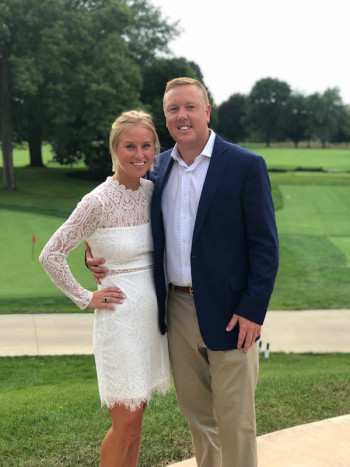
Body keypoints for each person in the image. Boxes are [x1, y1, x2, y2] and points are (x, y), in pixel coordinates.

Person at [87, 78, 279, 467]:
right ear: (166, 118)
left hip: (232, 313)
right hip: (175, 308)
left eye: (190, 106)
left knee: (235, 419)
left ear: (207, 112)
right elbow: (118, 219)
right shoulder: (155, 170)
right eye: (173, 109)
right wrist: (94, 255)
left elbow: (265, 246)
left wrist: (253, 310)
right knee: (198, 416)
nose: (182, 115)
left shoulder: (245, 165)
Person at [39, 110, 171, 467]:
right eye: (130, 146)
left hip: (152, 324)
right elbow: (50, 254)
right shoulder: (96, 201)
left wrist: (90, 251)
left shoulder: (153, 192)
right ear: (115, 148)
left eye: (147, 146)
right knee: (124, 426)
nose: (139, 154)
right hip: (120, 323)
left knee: (137, 424)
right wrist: (86, 296)